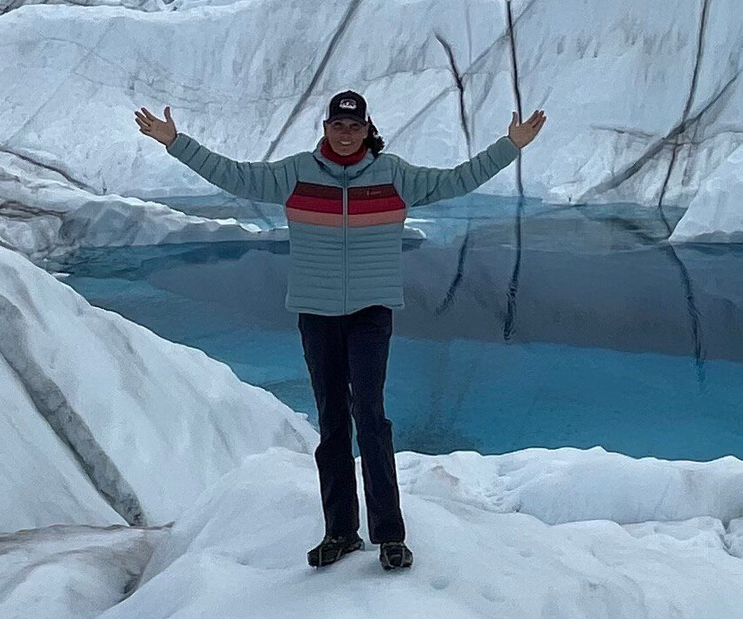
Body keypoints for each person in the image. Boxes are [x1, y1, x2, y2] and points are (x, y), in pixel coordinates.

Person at [135, 90, 546, 571]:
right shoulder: (296, 173)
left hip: (372, 311)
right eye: (338, 125)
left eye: (354, 126)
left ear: (367, 128)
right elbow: (235, 176)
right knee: (332, 422)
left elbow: (458, 180)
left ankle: (390, 535)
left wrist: (510, 146)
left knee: (370, 417)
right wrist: (175, 142)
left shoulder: (394, 175)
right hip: (316, 312)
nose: (345, 134)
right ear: (326, 128)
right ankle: (340, 533)